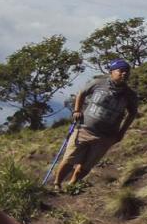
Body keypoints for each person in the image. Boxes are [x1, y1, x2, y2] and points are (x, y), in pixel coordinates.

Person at [52, 59, 139, 191]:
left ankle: (72, 186)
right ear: (111, 72)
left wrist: (122, 132)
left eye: (127, 72)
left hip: (106, 136)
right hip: (84, 129)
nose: (124, 74)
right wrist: (77, 110)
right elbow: (81, 93)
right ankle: (57, 184)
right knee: (69, 159)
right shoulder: (99, 83)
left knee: (86, 165)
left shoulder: (130, 95)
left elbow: (132, 113)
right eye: (121, 71)